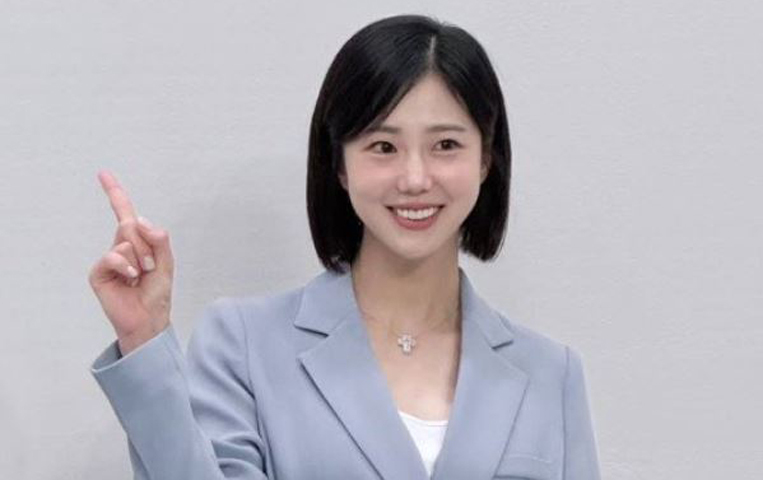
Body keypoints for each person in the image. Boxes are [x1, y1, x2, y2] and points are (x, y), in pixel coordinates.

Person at [88, 14, 601, 480]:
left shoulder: (552, 374)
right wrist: (144, 341)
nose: (415, 178)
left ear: (486, 159)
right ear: (339, 164)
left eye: (446, 145)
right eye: (383, 147)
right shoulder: (243, 343)